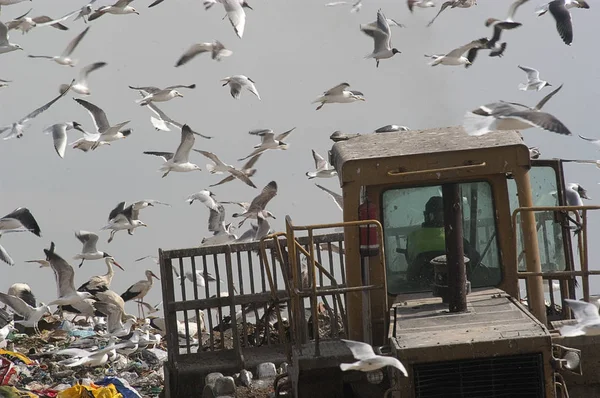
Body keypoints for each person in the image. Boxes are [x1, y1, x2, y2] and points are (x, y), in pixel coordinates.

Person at [405, 196, 480, 286]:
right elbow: (475, 259)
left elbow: (410, 260)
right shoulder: (456, 237)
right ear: (447, 215)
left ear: (426, 215)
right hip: (455, 286)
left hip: (419, 287)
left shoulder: (412, 237)